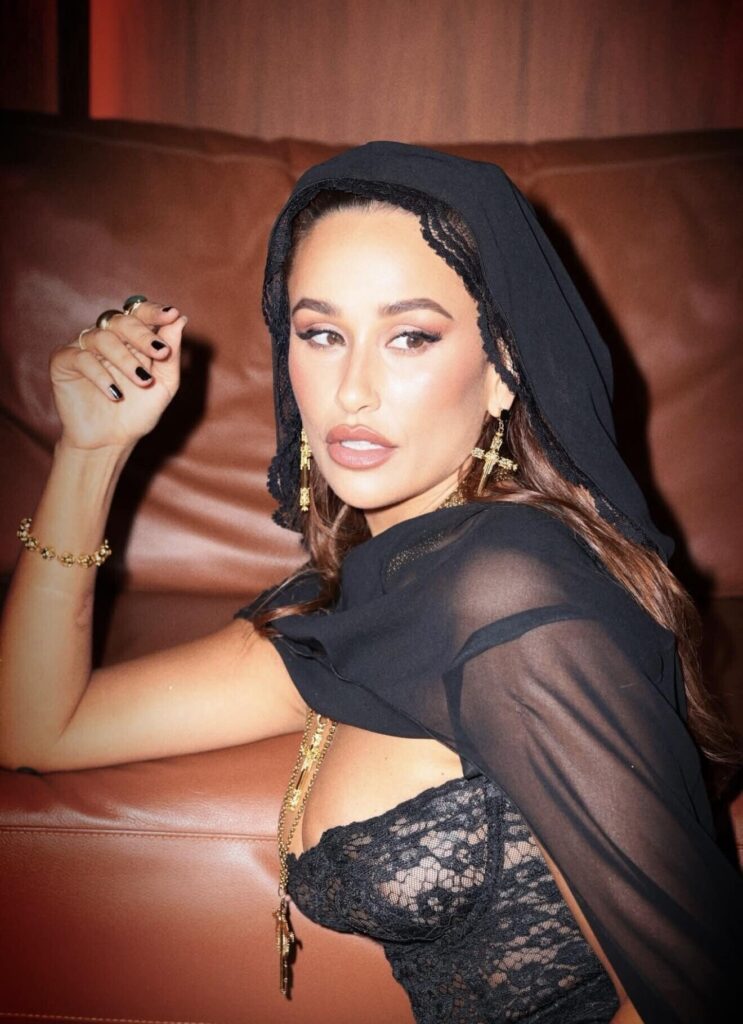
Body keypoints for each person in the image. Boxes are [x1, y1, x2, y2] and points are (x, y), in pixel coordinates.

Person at [0, 142, 741, 1024]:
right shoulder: (367, 599)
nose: (351, 391)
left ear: (502, 371)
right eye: (321, 334)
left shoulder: (512, 593)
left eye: (410, 336)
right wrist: (89, 452)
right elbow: (38, 725)